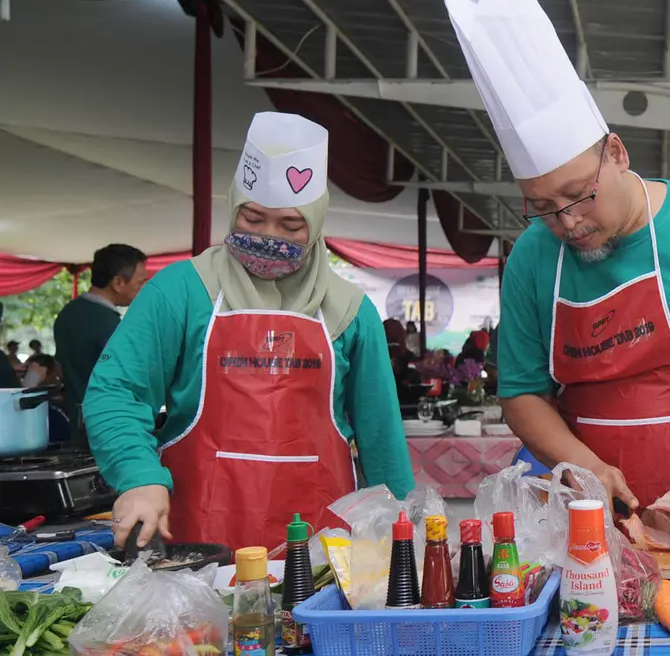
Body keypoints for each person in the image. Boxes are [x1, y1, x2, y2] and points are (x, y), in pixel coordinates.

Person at [446, 0, 670, 544]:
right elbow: (523, 392)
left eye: (578, 195)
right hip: (590, 507)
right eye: (542, 206)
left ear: (616, 151)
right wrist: (584, 469)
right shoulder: (534, 256)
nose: (567, 221)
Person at [84, 112, 415, 551]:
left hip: (321, 551)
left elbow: (380, 437)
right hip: (197, 547)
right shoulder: (182, 290)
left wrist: (403, 527)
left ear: (315, 225)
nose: (266, 236)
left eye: (290, 226)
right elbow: (117, 391)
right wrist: (139, 477)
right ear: (233, 207)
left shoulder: (351, 310)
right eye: (252, 219)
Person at [54, 244, 149, 416]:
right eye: (141, 282)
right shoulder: (108, 323)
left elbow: (59, 369)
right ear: (118, 282)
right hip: (107, 420)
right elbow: (131, 378)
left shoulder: (67, 313)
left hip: (76, 419)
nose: (144, 288)